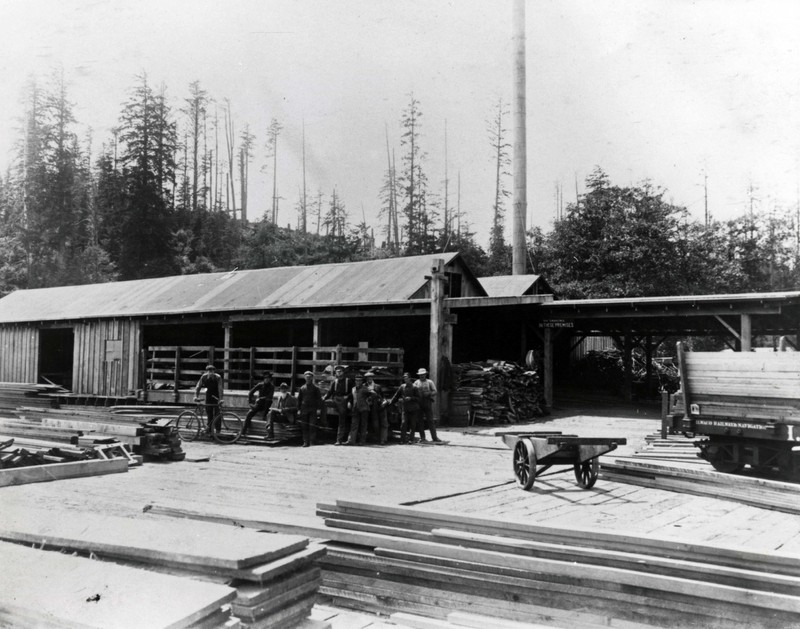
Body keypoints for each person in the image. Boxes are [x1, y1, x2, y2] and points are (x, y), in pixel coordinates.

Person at [389, 372, 422, 444]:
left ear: (410, 378)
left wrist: (411, 398)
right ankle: (402, 440)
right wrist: (390, 402)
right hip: (405, 408)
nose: (405, 379)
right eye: (404, 378)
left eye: (406, 378)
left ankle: (411, 439)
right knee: (403, 424)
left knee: (412, 424)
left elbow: (419, 398)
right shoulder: (402, 387)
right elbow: (396, 396)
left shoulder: (415, 387)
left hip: (414, 408)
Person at [324, 365, 351, 445]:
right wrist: (324, 397)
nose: (339, 373)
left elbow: (353, 392)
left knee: (342, 419)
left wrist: (348, 398)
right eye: (337, 372)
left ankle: (339, 439)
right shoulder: (334, 382)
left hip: (343, 400)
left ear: (343, 372)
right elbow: (330, 392)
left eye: (340, 371)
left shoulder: (348, 381)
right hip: (335, 399)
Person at [414, 367, 442, 443]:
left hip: (427, 403)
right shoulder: (416, 383)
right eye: (420, 375)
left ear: (425, 374)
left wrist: (429, 393)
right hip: (419, 403)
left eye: (423, 375)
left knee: (430, 420)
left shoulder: (430, 382)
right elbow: (413, 392)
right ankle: (422, 437)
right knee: (420, 421)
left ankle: (434, 437)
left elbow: (435, 391)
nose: (421, 376)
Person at [243, 371, 275, 436]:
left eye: (268, 379)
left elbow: (270, 396)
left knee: (268, 401)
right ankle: (243, 431)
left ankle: (264, 416)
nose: (267, 380)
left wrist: (261, 398)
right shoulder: (260, 385)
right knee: (249, 414)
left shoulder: (272, 387)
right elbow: (251, 392)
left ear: (270, 380)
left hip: (266, 405)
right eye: (265, 378)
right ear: (264, 379)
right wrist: (250, 402)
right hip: (259, 404)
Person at [297, 370, 323, 447]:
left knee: (312, 425)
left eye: (309, 377)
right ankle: (305, 442)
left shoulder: (315, 388)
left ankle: (312, 441)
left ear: (312, 378)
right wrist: (298, 409)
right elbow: (299, 399)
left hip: (313, 409)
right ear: (305, 378)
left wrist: (318, 409)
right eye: (306, 377)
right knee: (304, 426)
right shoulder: (302, 388)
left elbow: (319, 399)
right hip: (304, 409)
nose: (308, 379)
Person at [195, 364, 223, 435]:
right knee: (209, 414)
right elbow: (198, 387)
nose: (211, 373)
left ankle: (218, 431)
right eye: (209, 371)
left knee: (217, 414)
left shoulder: (218, 377)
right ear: (207, 372)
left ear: (214, 371)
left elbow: (220, 389)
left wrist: (220, 399)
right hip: (208, 396)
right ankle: (209, 431)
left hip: (216, 396)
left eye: (212, 371)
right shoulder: (204, 377)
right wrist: (195, 396)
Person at [346, 374, 371, 445]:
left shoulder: (365, 388)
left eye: (360, 381)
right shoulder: (353, 389)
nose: (358, 382)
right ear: (355, 381)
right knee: (354, 425)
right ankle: (351, 441)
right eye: (357, 380)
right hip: (355, 408)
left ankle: (362, 441)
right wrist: (349, 402)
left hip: (364, 409)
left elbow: (373, 394)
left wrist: (369, 401)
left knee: (363, 425)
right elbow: (351, 397)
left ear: (362, 381)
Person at [365, 371, 388, 444]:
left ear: (372, 378)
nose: (369, 378)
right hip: (370, 407)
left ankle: (382, 439)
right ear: (366, 378)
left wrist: (384, 401)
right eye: (368, 377)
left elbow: (383, 396)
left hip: (379, 405)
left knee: (382, 423)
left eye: (371, 377)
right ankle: (375, 437)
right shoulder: (364, 386)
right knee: (374, 424)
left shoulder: (377, 386)